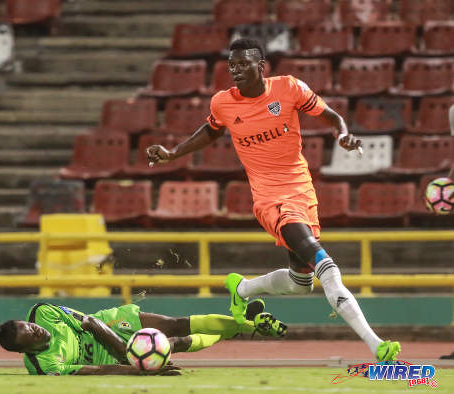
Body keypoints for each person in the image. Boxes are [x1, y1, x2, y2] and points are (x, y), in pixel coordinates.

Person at [146, 38, 400, 362]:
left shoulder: (289, 88)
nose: (236, 70)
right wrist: (172, 153)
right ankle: (376, 344)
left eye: (243, 64)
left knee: (301, 283)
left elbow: (333, 116)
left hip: (302, 190)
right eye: (232, 65)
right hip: (270, 199)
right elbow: (210, 131)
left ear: (260, 66)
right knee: (326, 266)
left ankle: (242, 289)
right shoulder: (223, 103)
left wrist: (343, 134)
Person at [0, 299, 286, 375]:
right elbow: (96, 370)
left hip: (110, 324)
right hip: (107, 355)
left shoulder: (43, 312)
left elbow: (93, 323)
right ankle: (243, 325)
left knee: (174, 325)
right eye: (29, 334)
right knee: (176, 344)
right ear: (24, 350)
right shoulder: (45, 366)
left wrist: (125, 349)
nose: (35, 329)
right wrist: (136, 370)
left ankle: (245, 324)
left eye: (28, 325)